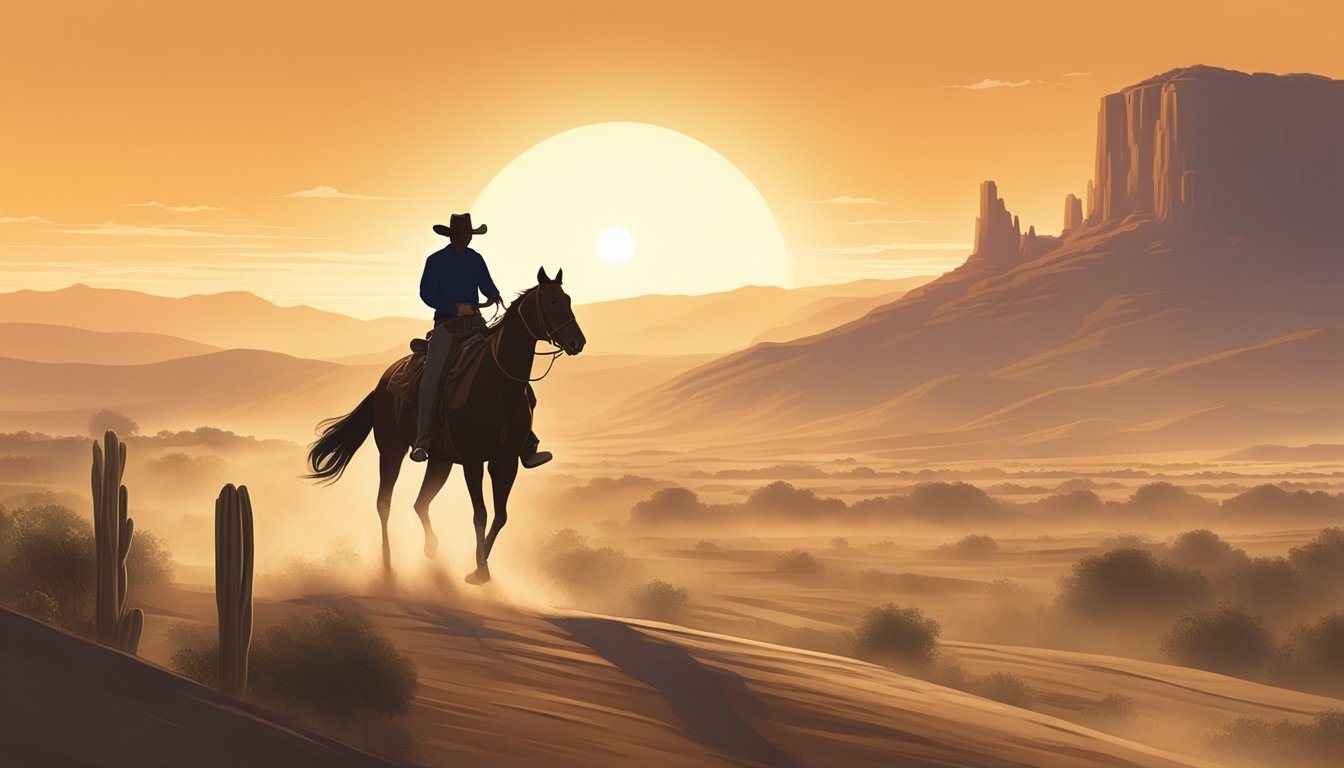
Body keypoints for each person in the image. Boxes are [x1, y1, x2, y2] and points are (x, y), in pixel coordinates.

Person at [411, 212, 552, 468]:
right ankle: (423, 440)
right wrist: (454, 308)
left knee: (507, 371)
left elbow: (485, 283)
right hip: (447, 325)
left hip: (476, 323)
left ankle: (526, 442)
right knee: (432, 377)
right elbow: (426, 293)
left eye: (469, 235)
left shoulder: (475, 259)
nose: (467, 238)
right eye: (464, 235)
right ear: (455, 235)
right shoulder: (436, 261)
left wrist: (494, 293)